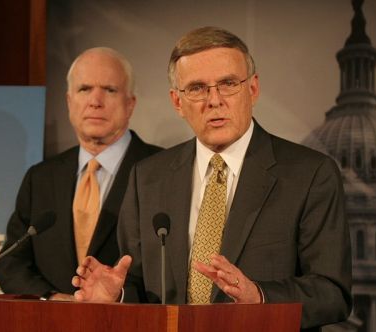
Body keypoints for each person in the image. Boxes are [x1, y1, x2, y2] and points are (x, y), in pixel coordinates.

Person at [72, 27, 352, 329]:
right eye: (196, 88)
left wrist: (259, 297)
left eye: (229, 84)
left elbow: (332, 293)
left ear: (253, 89)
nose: (214, 100)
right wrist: (118, 295)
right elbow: (143, 287)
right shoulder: (147, 178)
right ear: (178, 102)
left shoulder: (309, 174)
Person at [0, 47, 162, 301]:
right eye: (84, 89)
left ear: (130, 104)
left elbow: (170, 269)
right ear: (70, 102)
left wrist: (119, 298)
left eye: (110, 90)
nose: (95, 101)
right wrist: (49, 297)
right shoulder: (41, 178)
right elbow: (10, 262)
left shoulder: (162, 171)